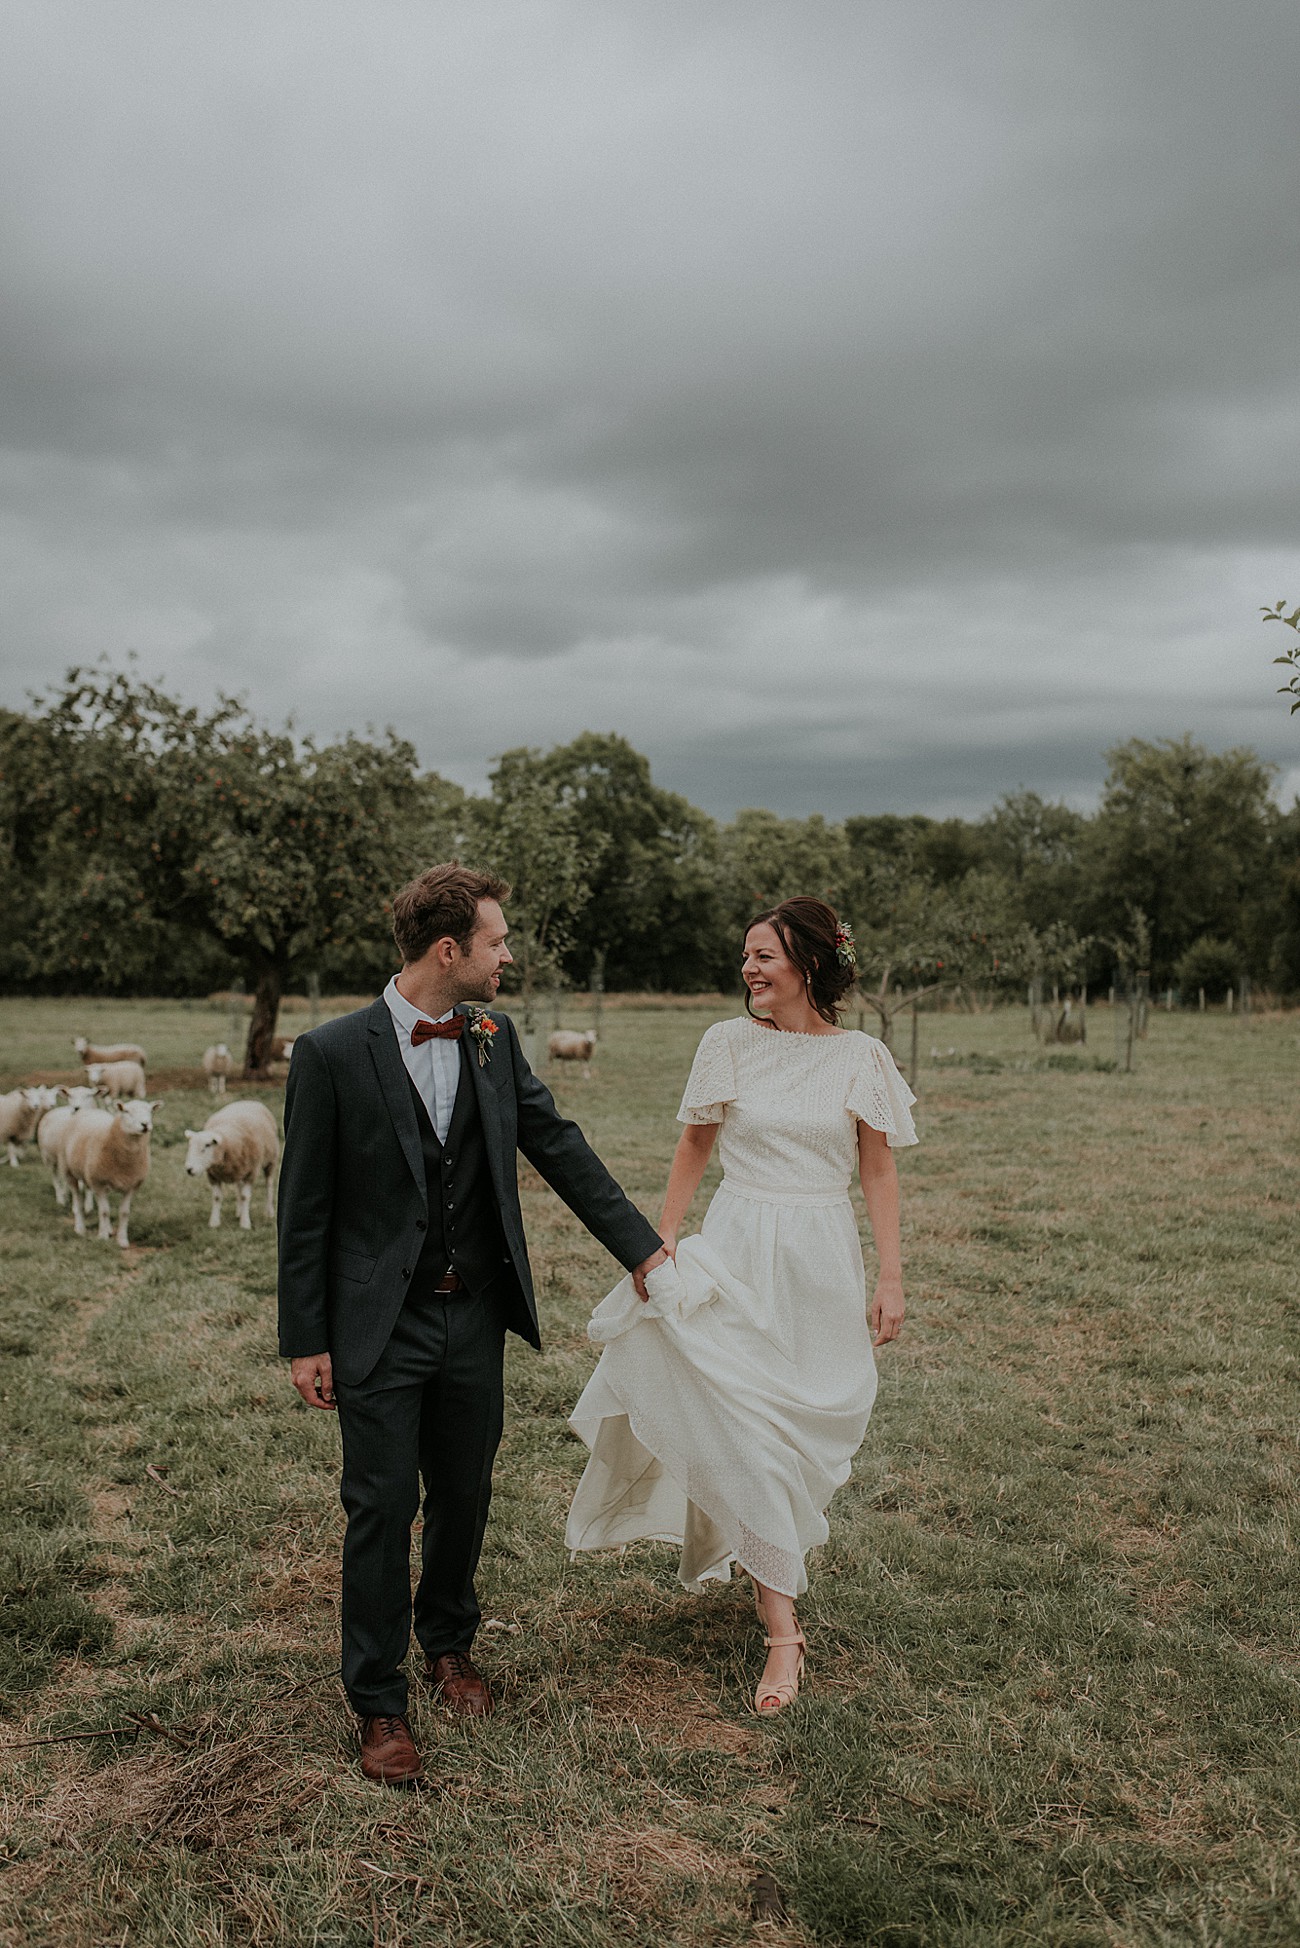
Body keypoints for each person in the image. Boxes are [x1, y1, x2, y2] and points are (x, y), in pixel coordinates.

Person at [277, 863, 666, 1786]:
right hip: (377, 1326)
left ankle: (448, 1643)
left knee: (465, 1494)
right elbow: (305, 1209)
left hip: (474, 1318)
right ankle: (378, 1701)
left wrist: (644, 1253)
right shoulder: (330, 1053)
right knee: (380, 1508)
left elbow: (558, 1144)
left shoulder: (494, 1036)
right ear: (448, 950)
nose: (509, 954)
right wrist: (306, 1338)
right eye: (497, 940)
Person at [565, 896, 915, 1713]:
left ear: (811, 964)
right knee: (743, 1430)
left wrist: (890, 1278)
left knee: (794, 1440)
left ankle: (768, 1554)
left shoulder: (862, 1057)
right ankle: (783, 1637)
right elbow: (696, 1143)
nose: (750, 970)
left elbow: (879, 1173)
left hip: (819, 1263)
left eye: (766, 956)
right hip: (734, 1248)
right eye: (747, 956)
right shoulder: (724, 1043)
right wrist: (656, 1248)